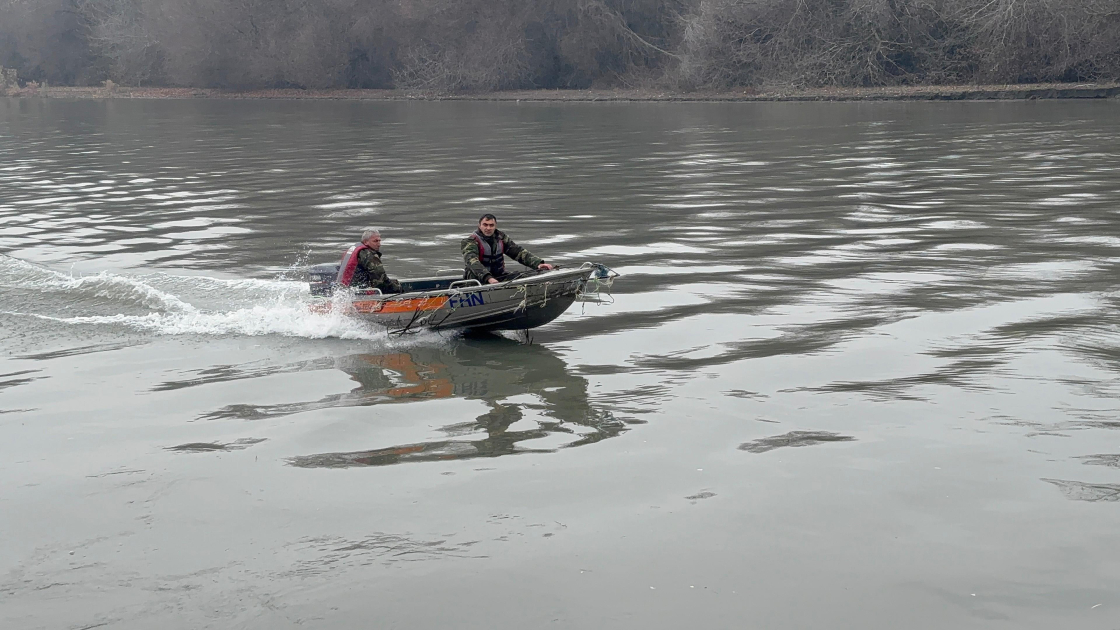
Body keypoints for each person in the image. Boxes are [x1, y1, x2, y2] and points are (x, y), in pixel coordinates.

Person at [461, 214, 554, 284]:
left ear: (495, 226)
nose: (488, 228)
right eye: (485, 225)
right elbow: (472, 262)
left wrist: (538, 264)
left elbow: (517, 252)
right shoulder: (470, 242)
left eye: (491, 225)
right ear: (479, 225)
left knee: (523, 277)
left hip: (499, 276)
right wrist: (489, 278)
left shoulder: (501, 237)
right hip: (477, 280)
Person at [337, 228, 402, 293]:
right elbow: (380, 281)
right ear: (366, 242)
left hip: (346, 290)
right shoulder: (369, 255)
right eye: (375, 241)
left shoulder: (353, 250)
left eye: (379, 241)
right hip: (361, 292)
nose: (379, 244)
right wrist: (397, 288)